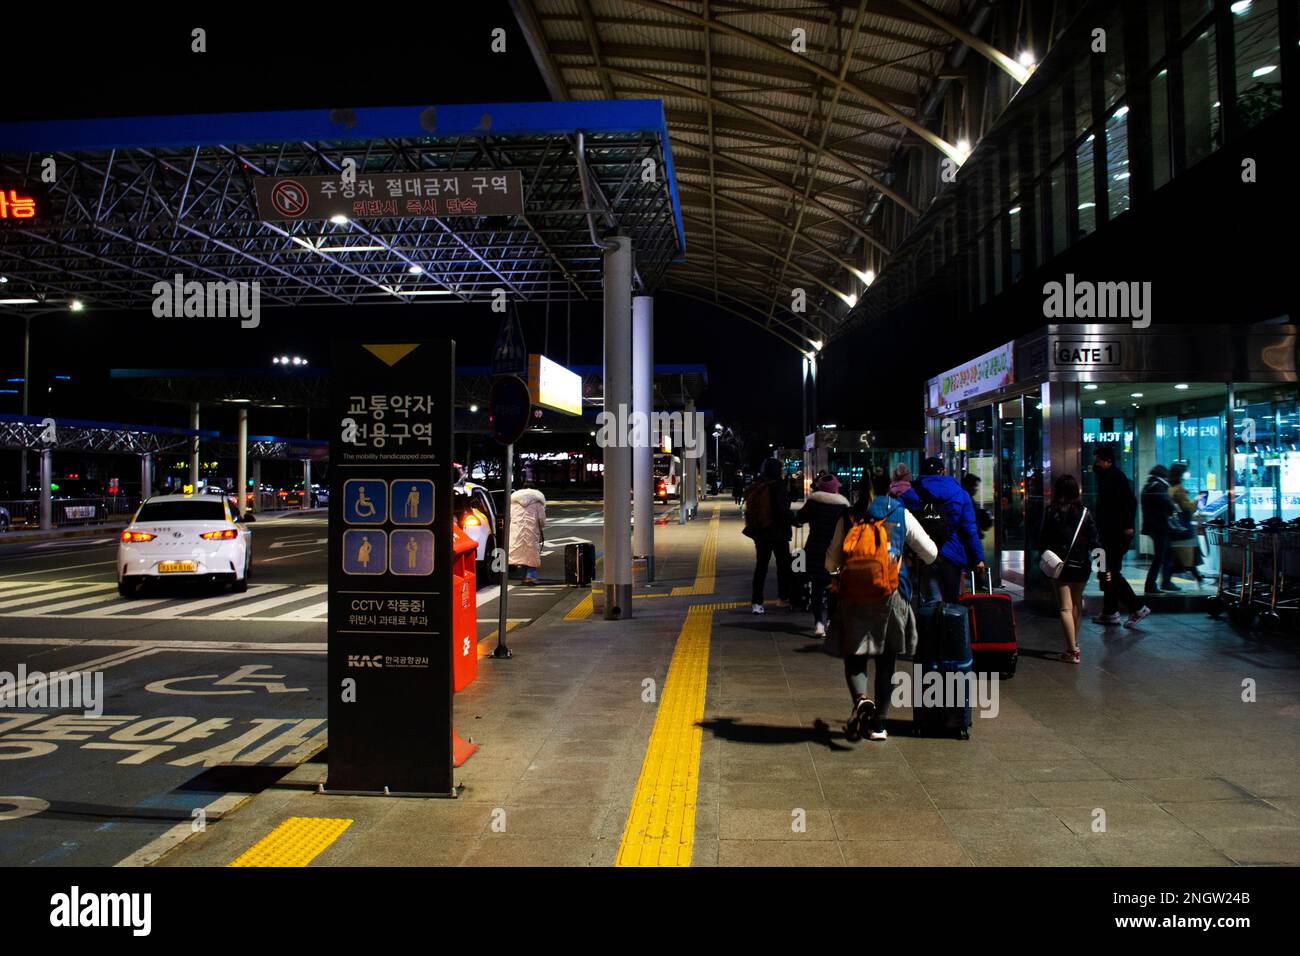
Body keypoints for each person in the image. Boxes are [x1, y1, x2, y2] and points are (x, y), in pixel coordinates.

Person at [827, 471, 937, 741]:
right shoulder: (901, 514)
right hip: (893, 593)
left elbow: (830, 563)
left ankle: (862, 700)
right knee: (887, 659)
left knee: (855, 654)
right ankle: (879, 725)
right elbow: (931, 553)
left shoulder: (849, 516)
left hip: (854, 596)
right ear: (890, 488)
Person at [898, 457, 985, 602]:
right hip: (953, 554)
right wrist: (978, 558)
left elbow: (901, 520)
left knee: (931, 601)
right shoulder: (961, 494)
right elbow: (970, 529)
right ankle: (950, 623)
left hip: (925, 553)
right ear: (943, 472)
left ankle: (931, 623)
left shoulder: (911, 494)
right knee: (952, 602)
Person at [1039, 474, 1101, 664]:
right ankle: (1074, 643)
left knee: (1065, 607)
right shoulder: (1085, 512)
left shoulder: (1051, 511)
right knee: (1076, 604)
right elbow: (1095, 541)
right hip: (1082, 566)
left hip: (1061, 565)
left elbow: (1043, 538)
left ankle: (1072, 650)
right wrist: (1103, 567)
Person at [1090, 446, 1150, 627]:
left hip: (1113, 534)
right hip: (1103, 534)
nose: (1096, 464)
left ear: (1108, 460)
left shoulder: (1116, 478)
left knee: (1110, 572)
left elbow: (1129, 503)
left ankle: (1137, 607)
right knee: (1104, 572)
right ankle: (1110, 611)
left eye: (1098, 460)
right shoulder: (1106, 477)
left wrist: (1127, 526)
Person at [791, 473, 849, 637]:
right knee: (833, 588)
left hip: (815, 550)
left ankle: (818, 624)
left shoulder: (813, 503)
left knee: (816, 588)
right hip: (835, 552)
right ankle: (831, 620)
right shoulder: (843, 507)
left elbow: (799, 520)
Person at [744, 456, 793, 614]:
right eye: (781, 468)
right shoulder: (779, 486)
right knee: (783, 567)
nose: (783, 471)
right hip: (778, 533)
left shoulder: (759, 484)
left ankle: (757, 603)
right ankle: (782, 598)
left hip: (761, 533)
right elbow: (782, 510)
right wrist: (795, 520)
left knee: (761, 567)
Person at [1140, 464, 1176, 594]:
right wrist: (1174, 508)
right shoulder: (1158, 486)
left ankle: (1166, 581)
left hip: (1152, 526)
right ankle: (1151, 584)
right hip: (1159, 526)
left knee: (1166, 554)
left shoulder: (1148, 485)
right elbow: (1167, 503)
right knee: (1160, 556)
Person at [1168, 463, 1204, 584]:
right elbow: (1187, 507)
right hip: (1184, 527)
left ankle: (1196, 574)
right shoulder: (1179, 489)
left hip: (1174, 526)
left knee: (1179, 554)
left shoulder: (1169, 487)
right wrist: (1196, 500)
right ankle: (1196, 575)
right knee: (1189, 553)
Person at [509, 481, 547, 584]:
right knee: (532, 551)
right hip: (532, 529)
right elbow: (541, 518)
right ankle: (531, 576)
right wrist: (542, 526)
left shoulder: (514, 500)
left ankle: (524, 576)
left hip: (517, 529)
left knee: (521, 552)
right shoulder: (538, 501)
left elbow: (510, 515)